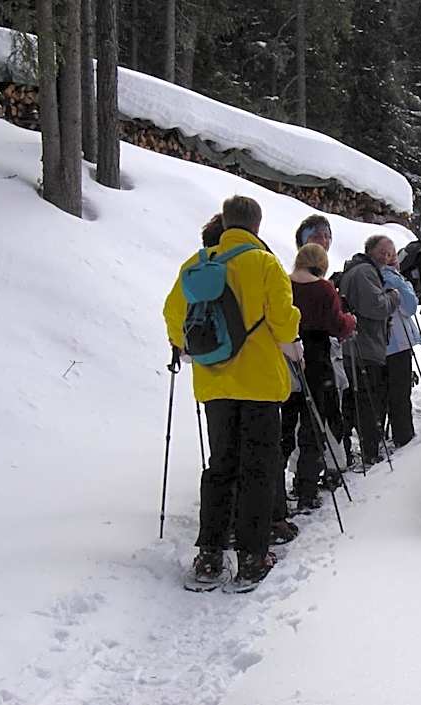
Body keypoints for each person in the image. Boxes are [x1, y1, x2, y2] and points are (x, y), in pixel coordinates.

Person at [163, 195, 301, 591]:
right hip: (258, 382)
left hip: (213, 381)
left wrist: (186, 348)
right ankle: (253, 556)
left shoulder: (197, 263)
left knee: (221, 463)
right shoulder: (264, 263)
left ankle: (209, 554)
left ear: (225, 222)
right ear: (256, 226)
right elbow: (282, 323)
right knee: (257, 466)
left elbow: (173, 314)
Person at [281, 244, 357, 511]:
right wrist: (350, 321)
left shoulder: (284, 283)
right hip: (316, 358)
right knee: (313, 425)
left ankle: (277, 491)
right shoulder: (324, 288)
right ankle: (307, 487)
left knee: (286, 424)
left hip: (287, 356)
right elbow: (336, 326)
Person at [339, 235, 400, 465]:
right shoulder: (365, 272)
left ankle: (353, 452)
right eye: (383, 251)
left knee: (356, 401)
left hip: (357, 345)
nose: (387, 256)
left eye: (390, 252)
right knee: (368, 401)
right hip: (364, 347)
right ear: (370, 250)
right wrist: (393, 296)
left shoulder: (359, 269)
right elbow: (376, 306)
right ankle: (370, 451)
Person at [381, 250, 421, 448]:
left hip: (380, 343)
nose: (393, 259)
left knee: (386, 390)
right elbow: (410, 307)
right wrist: (404, 284)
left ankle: (382, 435)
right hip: (397, 341)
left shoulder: (372, 275)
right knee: (400, 390)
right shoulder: (392, 278)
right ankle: (403, 435)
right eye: (388, 254)